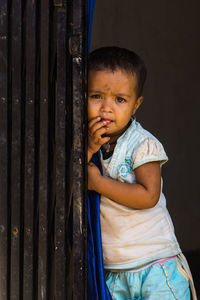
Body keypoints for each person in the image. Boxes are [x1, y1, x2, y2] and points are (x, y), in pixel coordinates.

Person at [87, 46, 196, 299]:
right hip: (114, 270)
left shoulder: (142, 144)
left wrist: (98, 183)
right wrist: (89, 149)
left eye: (120, 99)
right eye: (96, 96)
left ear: (136, 105)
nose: (106, 108)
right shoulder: (87, 142)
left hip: (155, 265)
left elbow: (148, 196)